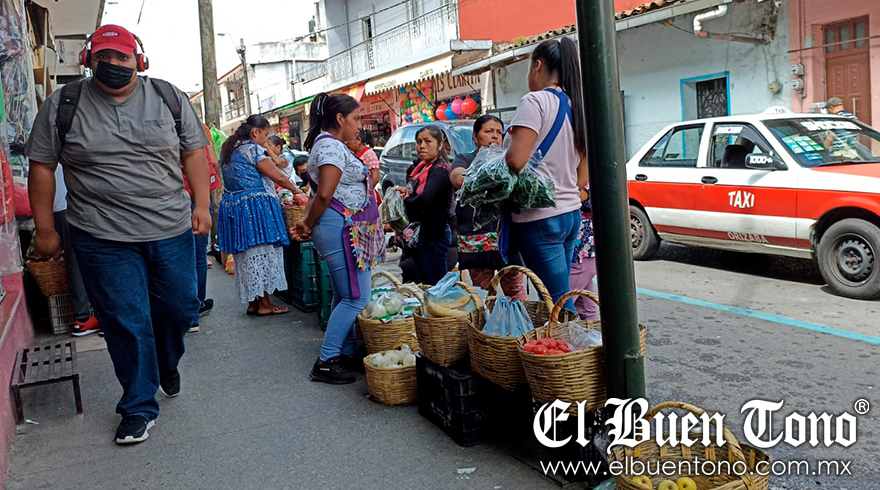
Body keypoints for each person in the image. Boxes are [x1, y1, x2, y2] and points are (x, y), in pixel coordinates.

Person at [25, 24, 211, 444]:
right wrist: (45, 229)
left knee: (181, 308)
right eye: (103, 57)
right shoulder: (63, 105)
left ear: (138, 60)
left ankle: (165, 362)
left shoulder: (167, 97)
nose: (112, 64)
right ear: (88, 60)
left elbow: (193, 152)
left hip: (169, 228)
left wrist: (201, 205)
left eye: (121, 57)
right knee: (126, 319)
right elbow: (42, 167)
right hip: (101, 235)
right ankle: (138, 404)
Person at [293, 93, 385, 385]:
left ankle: (346, 352)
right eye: (356, 119)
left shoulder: (328, 145)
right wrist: (307, 223)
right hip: (342, 229)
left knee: (345, 295)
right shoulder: (331, 147)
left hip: (339, 227)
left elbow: (316, 193)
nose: (359, 125)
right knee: (357, 298)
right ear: (339, 119)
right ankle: (326, 361)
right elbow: (323, 194)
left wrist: (307, 222)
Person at [504, 37, 590, 308]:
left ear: (538, 66)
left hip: (540, 218)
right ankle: (566, 333)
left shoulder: (535, 101)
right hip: (570, 214)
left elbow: (516, 161)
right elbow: (582, 178)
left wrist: (493, 166)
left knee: (558, 304)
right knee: (558, 296)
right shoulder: (577, 105)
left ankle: (573, 336)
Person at [217, 115, 302, 316]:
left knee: (247, 255)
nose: (265, 139)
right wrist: (297, 191)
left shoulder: (230, 149)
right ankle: (264, 304)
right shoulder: (251, 149)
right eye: (265, 134)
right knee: (261, 250)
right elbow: (278, 176)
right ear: (255, 132)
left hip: (235, 206)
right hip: (255, 207)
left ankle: (254, 302)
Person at [450, 115, 525, 300]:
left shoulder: (509, 160)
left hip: (506, 238)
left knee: (515, 293)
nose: (495, 136)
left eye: (499, 132)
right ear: (475, 136)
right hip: (477, 241)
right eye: (489, 131)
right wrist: (489, 178)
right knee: (484, 295)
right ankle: (488, 319)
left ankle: (519, 319)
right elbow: (458, 178)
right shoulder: (465, 159)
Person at [399, 126, 454, 286]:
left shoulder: (441, 170)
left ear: (440, 145)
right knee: (426, 282)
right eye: (419, 142)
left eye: (428, 141)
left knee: (436, 285)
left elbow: (424, 200)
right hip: (423, 233)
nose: (422, 146)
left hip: (435, 235)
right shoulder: (422, 167)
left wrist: (406, 200)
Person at [51, 165, 100, 336]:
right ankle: (102, 318)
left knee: (74, 263)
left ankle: (83, 317)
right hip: (79, 205)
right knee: (100, 259)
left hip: (60, 207)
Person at [185, 124, 223, 333]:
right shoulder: (199, 127)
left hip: (168, 200)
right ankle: (195, 308)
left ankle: (180, 312)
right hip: (197, 198)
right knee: (198, 255)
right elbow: (213, 162)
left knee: (174, 256)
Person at [568, 186, 598, 321]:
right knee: (586, 308)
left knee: (562, 306)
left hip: (581, 252)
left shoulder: (586, 185)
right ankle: (595, 333)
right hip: (584, 251)